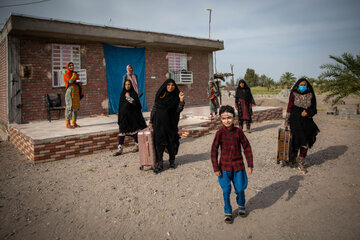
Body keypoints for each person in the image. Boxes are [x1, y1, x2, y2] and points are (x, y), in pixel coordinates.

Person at [211, 105, 253, 224]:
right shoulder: (219, 133)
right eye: (224, 118)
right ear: (220, 119)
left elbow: (246, 147)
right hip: (224, 168)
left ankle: (241, 205)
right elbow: (214, 150)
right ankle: (228, 211)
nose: (227, 120)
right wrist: (216, 168)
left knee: (240, 188)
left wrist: (250, 164)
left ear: (234, 118)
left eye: (229, 117)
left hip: (238, 167)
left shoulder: (239, 132)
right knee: (226, 190)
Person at [148, 79, 185, 174]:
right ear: (165, 86)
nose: (170, 87)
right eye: (168, 85)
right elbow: (155, 109)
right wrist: (151, 121)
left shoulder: (176, 97)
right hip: (159, 124)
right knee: (159, 143)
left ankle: (172, 161)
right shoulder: (160, 96)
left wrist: (181, 100)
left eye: (172, 85)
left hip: (171, 124)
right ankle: (160, 163)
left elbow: (178, 110)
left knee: (171, 143)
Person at [285, 78, 320, 174]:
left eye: (305, 85)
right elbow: (289, 108)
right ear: (297, 86)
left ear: (307, 86)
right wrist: (286, 122)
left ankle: (301, 162)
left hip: (307, 121)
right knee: (297, 140)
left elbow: (314, 109)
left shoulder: (310, 95)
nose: (303, 86)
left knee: (306, 141)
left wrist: (308, 113)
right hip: (295, 120)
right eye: (301, 84)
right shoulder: (293, 94)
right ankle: (293, 160)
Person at [113, 80, 147, 156]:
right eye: (126, 84)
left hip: (132, 117)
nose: (127, 86)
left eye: (129, 84)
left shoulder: (133, 94)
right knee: (121, 132)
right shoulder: (122, 94)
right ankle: (120, 149)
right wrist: (120, 116)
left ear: (131, 85)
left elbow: (136, 105)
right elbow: (120, 106)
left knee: (134, 132)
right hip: (124, 117)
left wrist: (128, 97)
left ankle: (137, 145)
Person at [63, 62, 84, 129]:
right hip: (70, 92)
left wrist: (79, 83)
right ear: (67, 67)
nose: (71, 67)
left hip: (76, 92)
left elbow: (77, 81)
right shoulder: (66, 74)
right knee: (69, 107)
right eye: (70, 66)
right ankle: (67, 124)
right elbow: (70, 82)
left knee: (75, 108)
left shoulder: (75, 73)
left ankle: (74, 123)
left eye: (72, 66)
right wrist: (74, 76)